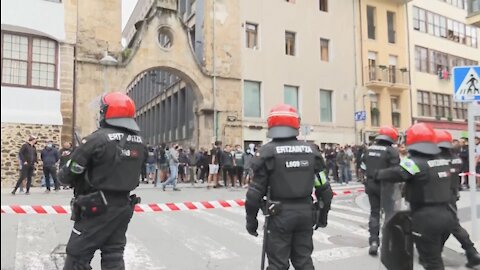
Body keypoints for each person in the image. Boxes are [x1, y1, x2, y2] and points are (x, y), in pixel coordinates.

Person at [58, 92, 147, 270]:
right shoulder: (140, 143)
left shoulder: (96, 139)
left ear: (107, 112)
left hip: (96, 207)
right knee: (113, 256)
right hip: (123, 207)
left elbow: (66, 176)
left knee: (77, 257)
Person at [245, 104, 333, 270]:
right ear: (296, 125)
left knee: (278, 264)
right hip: (306, 215)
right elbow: (324, 189)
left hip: (279, 217)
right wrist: (322, 217)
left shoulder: (266, 153)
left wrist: (251, 222)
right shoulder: (312, 152)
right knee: (304, 261)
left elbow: (254, 195)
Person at [377, 123, 456, 270]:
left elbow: (397, 173)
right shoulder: (443, 161)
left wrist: (377, 174)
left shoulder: (415, 163)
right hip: (447, 214)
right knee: (434, 256)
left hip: (426, 217)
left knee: (432, 262)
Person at [435, 130, 480, 268]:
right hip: (452, 195)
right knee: (451, 225)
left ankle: (471, 253)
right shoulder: (455, 158)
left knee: (450, 226)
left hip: (439, 196)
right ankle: (471, 253)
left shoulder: (436, 159)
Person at [363, 126, 400, 255]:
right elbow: (396, 171)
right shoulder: (391, 151)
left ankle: (373, 242)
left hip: (370, 184)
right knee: (390, 214)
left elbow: (363, 165)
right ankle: (389, 242)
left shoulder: (369, 149)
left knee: (374, 213)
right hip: (386, 186)